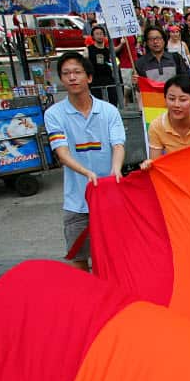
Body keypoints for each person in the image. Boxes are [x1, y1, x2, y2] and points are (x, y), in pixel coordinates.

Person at [44, 52, 126, 273]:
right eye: (66, 73)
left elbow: (118, 144)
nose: (72, 77)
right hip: (77, 201)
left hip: (109, 198)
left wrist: (115, 170)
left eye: (77, 72)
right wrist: (87, 173)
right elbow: (62, 152)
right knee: (79, 259)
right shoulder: (54, 114)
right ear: (61, 79)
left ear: (89, 77)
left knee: (112, 256)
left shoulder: (109, 111)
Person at [86, 24, 119, 105]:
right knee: (97, 102)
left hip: (108, 79)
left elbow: (115, 63)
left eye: (101, 33)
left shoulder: (108, 50)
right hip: (95, 80)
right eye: (97, 34)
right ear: (93, 36)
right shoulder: (88, 50)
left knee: (113, 100)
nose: (99, 36)